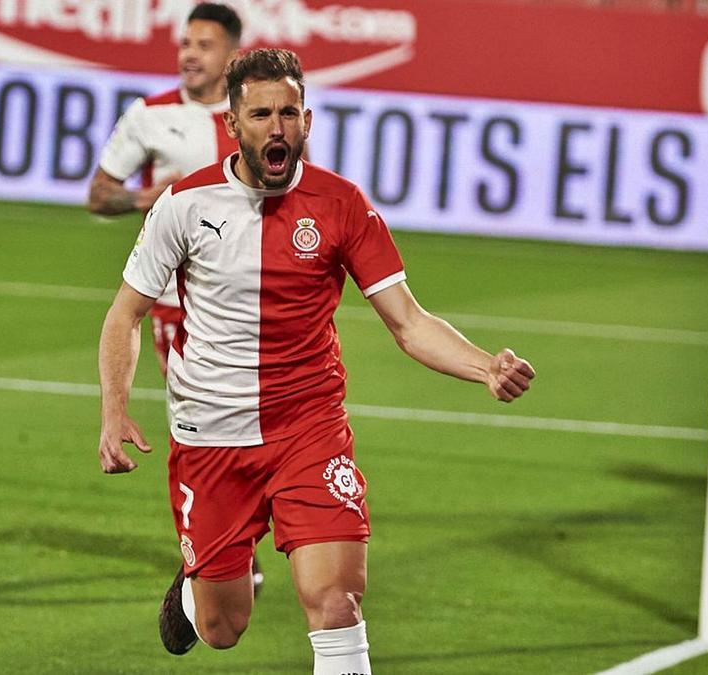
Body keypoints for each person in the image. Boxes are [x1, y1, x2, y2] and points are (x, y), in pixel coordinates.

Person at [97, 49, 536, 673]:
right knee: (224, 627)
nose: (277, 128)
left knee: (336, 601)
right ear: (232, 123)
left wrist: (484, 366)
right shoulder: (184, 204)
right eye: (261, 114)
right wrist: (113, 413)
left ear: (307, 121)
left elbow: (408, 322)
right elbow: (125, 315)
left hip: (309, 429)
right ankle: (202, 595)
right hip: (212, 436)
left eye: (289, 113)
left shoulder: (342, 205)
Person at [88, 2, 242, 379]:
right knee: (193, 414)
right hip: (177, 295)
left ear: (232, 56)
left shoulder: (258, 113)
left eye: (204, 46)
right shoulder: (149, 114)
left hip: (251, 291)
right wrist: (146, 198)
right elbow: (99, 194)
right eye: (185, 44)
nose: (189, 55)